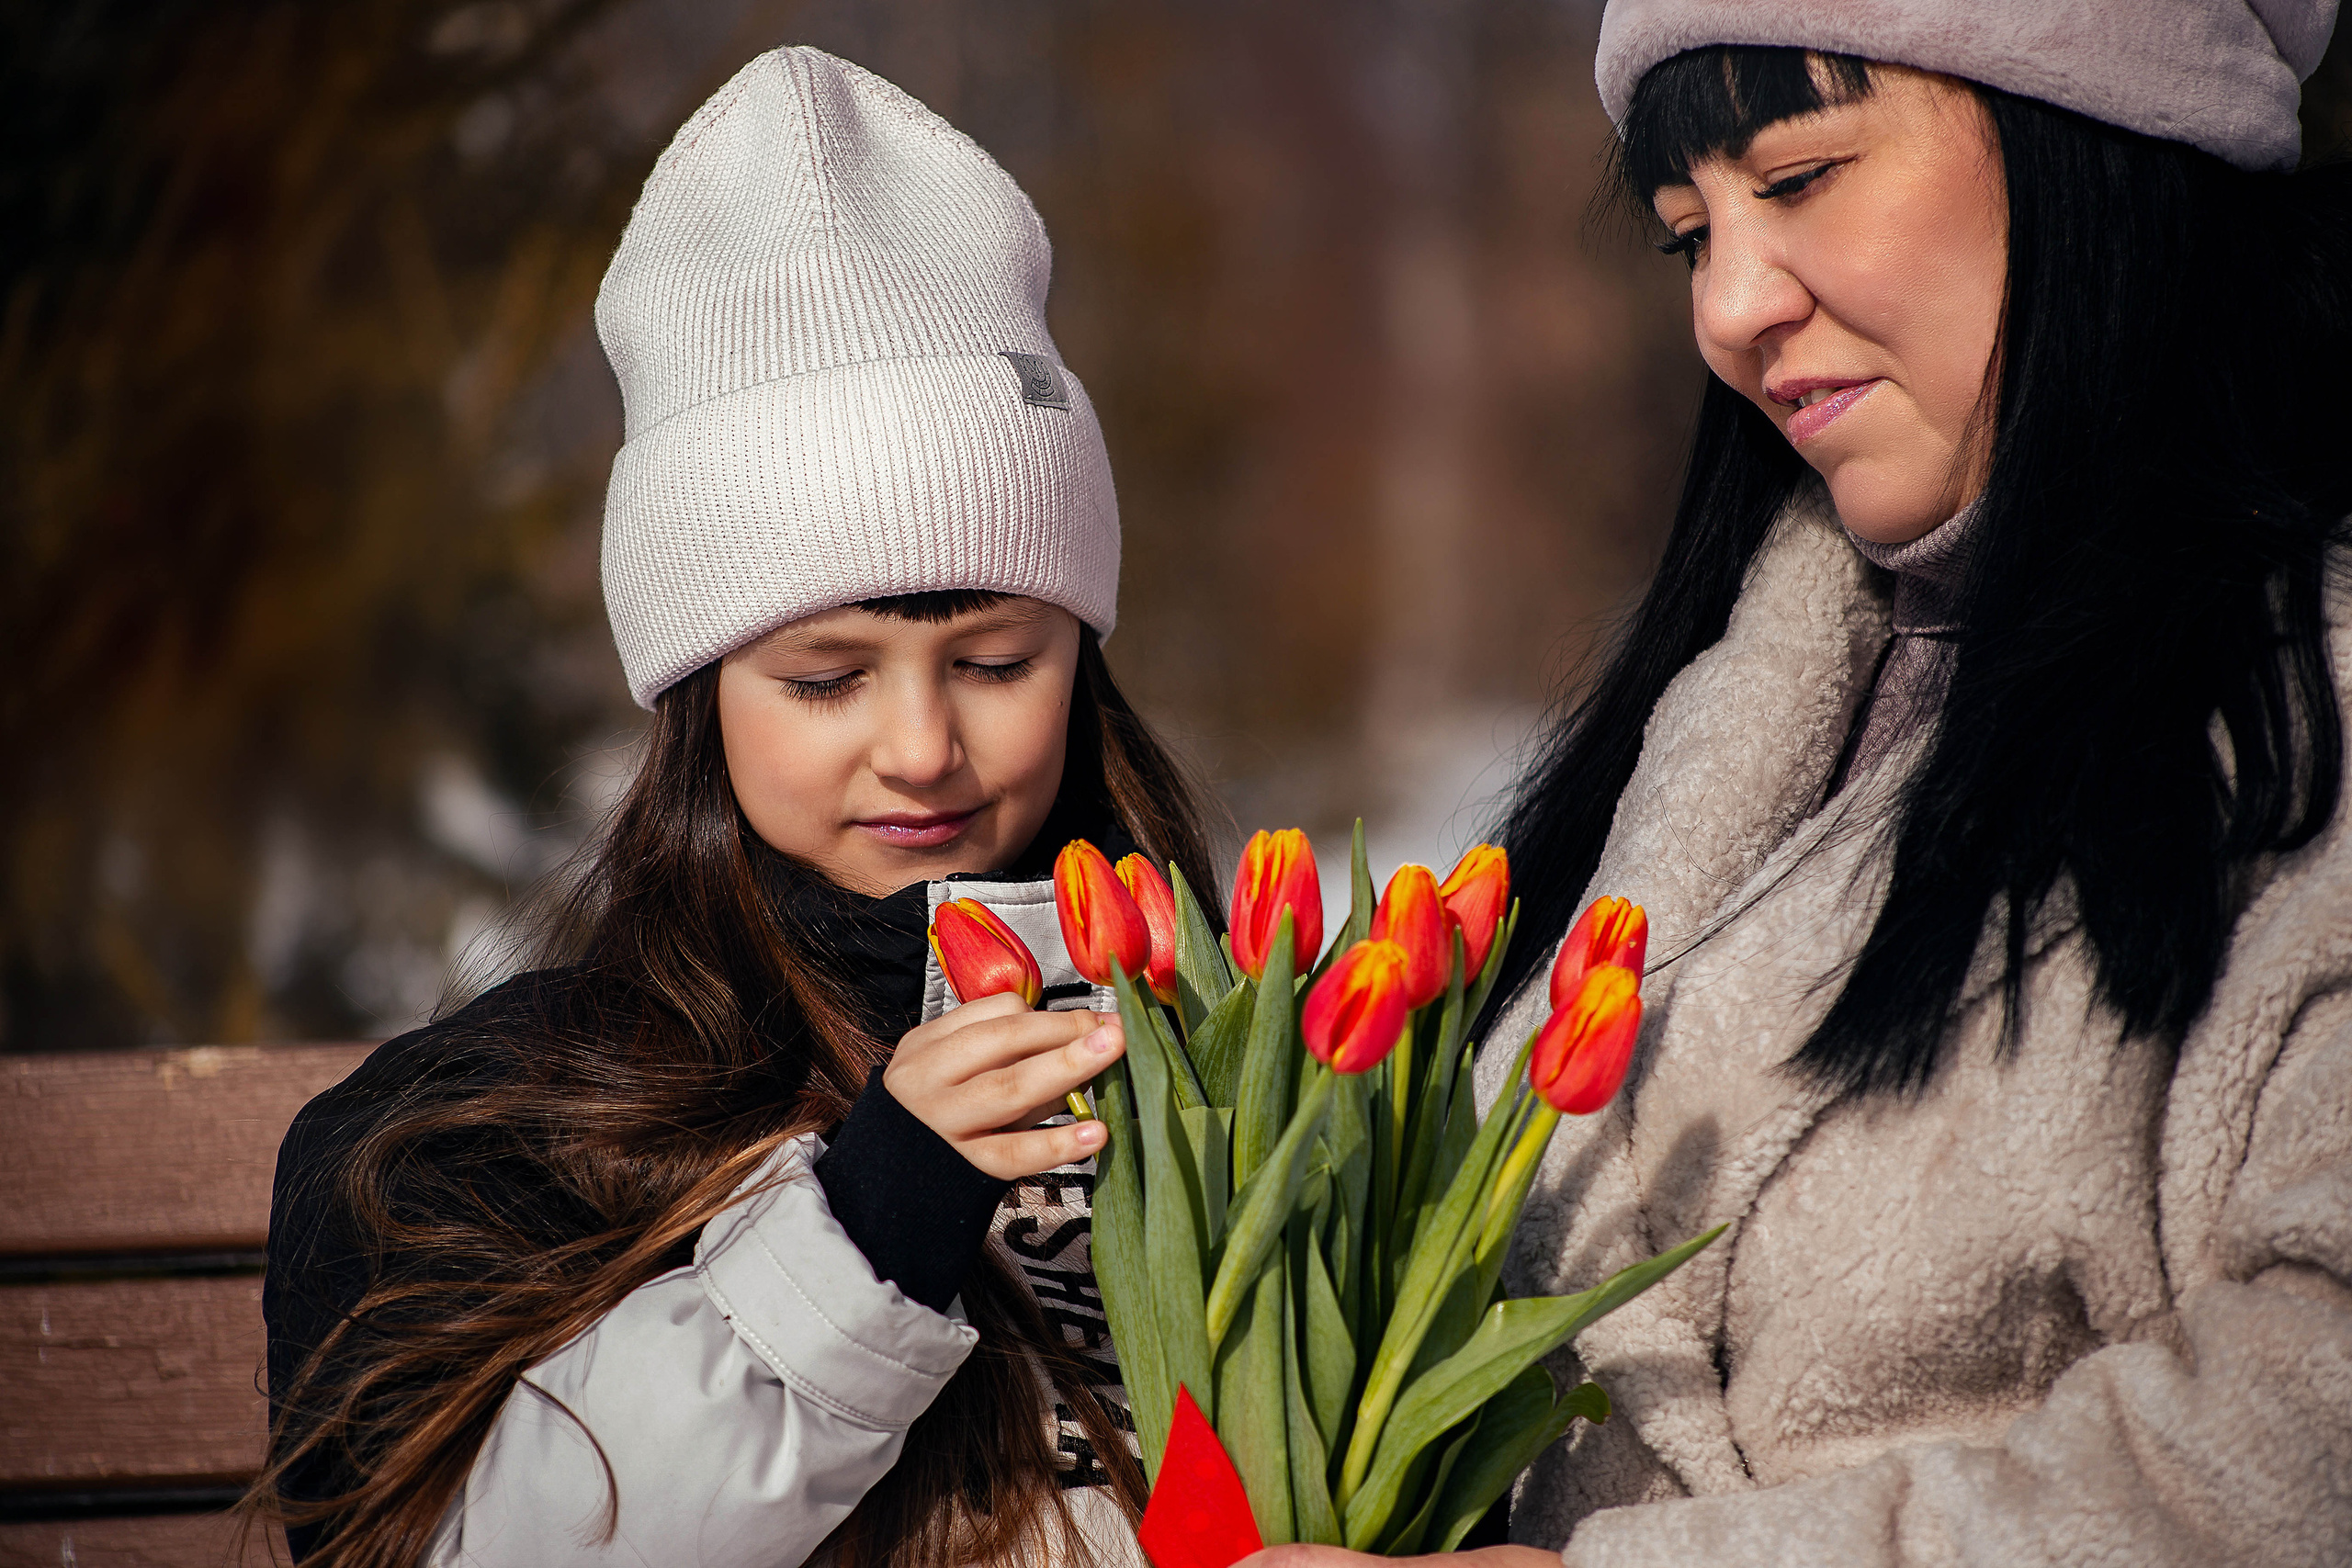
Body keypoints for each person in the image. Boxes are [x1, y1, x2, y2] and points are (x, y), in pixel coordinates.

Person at [1257, 4, 2352, 1567]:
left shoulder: (2311, 713)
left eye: (1803, 177)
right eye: (1688, 233)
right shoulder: (1736, 717)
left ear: (2095, 139)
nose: (1729, 308)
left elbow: (2303, 1441)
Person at [250, 47, 1213, 1568]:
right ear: (700, 697)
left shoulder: (1245, 1056)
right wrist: (871, 1232)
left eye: (994, 660)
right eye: (826, 679)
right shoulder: (476, 1140)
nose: (921, 748)